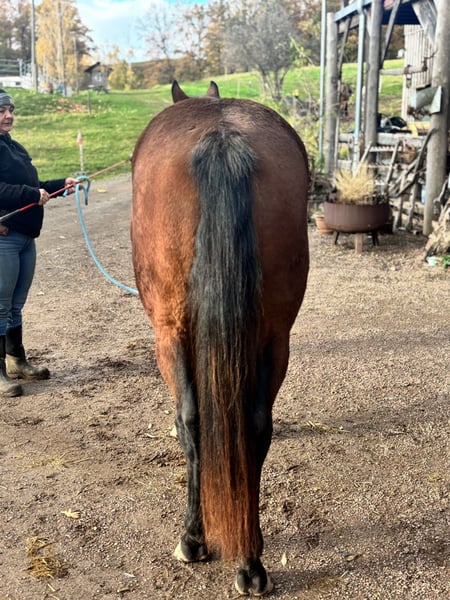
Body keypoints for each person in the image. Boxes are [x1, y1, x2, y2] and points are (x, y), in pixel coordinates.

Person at [0, 89, 79, 397]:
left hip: (26, 238)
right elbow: (14, 190)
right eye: (1, 110)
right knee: (1, 305)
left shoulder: (14, 147)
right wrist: (30, 194)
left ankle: (16, 359)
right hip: (5, 238)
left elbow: (33, 186)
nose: (8, 115)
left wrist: (60, 186)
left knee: (16, 305)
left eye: (10, 109)